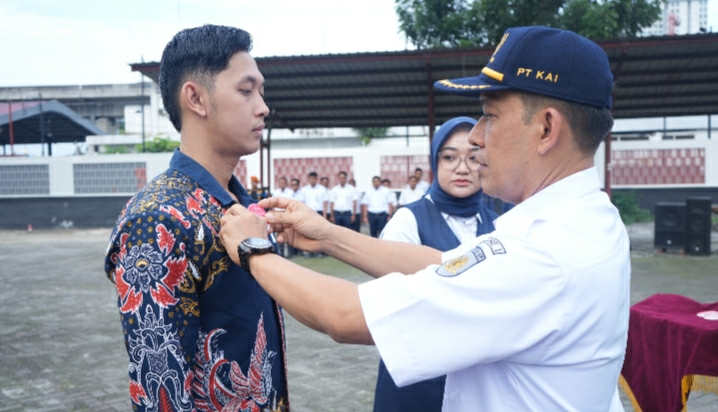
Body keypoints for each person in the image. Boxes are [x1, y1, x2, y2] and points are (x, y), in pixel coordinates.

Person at [221, 26, 628, 411]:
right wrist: (328, 236)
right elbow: (449, 266)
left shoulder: (542, 257)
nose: (476, 137)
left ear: (546, 129)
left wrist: (253, 250)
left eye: (490, 116)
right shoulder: (587, 219)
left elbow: (344, 316)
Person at [104, 25, 288, 411]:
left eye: (261, 91)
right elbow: (161, 394)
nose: (263, 107)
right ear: (196, 99)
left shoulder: (243, 209)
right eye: (246, 90)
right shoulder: (156, 221)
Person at [373, 116, 498, 412]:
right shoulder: (408, 220)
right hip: (418, 379)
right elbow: (394, 299)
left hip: (480, 380)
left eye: (473, 157)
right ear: (435, 162)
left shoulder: (498, 224)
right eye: (450, 157)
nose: (462, 168)